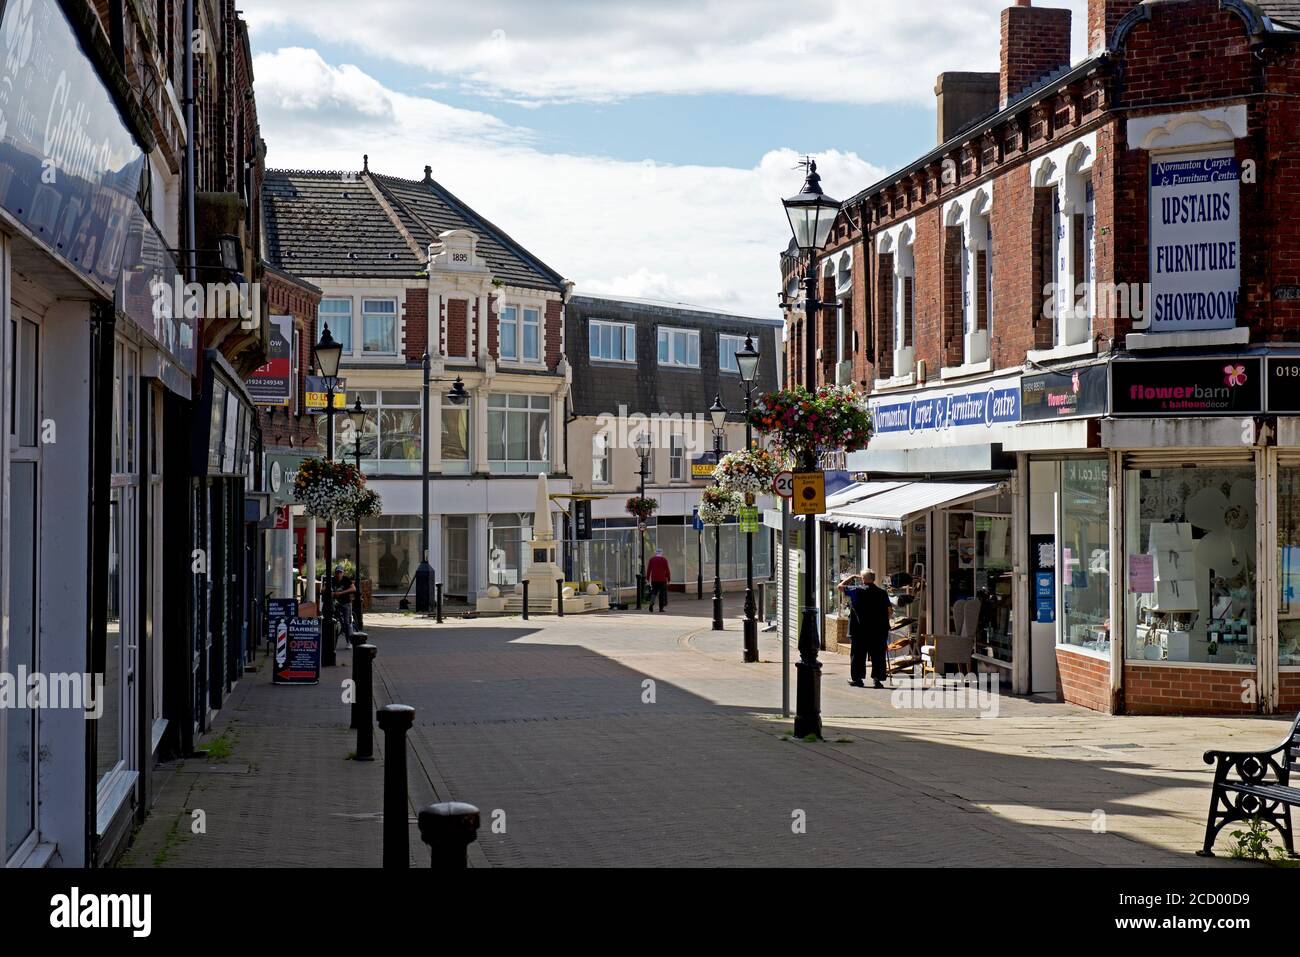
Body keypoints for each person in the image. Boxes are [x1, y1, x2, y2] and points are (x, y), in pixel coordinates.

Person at [839, 568, 892, 688]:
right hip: (878, 630)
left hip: (860, 630)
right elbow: (889, 611)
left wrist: (851, 577)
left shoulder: (857, 590)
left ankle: (857, 679)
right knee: (878, 655)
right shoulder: (882, 593)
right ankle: (877, 680)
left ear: (862, 579)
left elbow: (840, 586)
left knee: (858, 655)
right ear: (873, 579)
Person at [331, 563, 356, 645]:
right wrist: (331, 592)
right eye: (337, 572)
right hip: (336, 604)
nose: (339, 574)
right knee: (332, 621)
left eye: (340, 572)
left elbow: (353, 588)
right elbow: (324, 588)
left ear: (343, 573)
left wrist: (341, 593)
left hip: (346, 603)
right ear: (335, 573)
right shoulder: (333, 579)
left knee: (346, 622)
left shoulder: (346, 579)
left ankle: (349, 642)